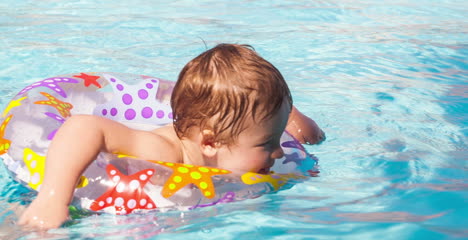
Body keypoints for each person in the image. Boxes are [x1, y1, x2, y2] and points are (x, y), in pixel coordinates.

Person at [18, 44, 324, 230]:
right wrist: (52, 199)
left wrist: (291, 119)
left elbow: (310, 137)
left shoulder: (245, 141)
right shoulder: (159, 150)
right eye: (266, 145)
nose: (280, 154)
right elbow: (83, 127)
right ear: (209, 143)